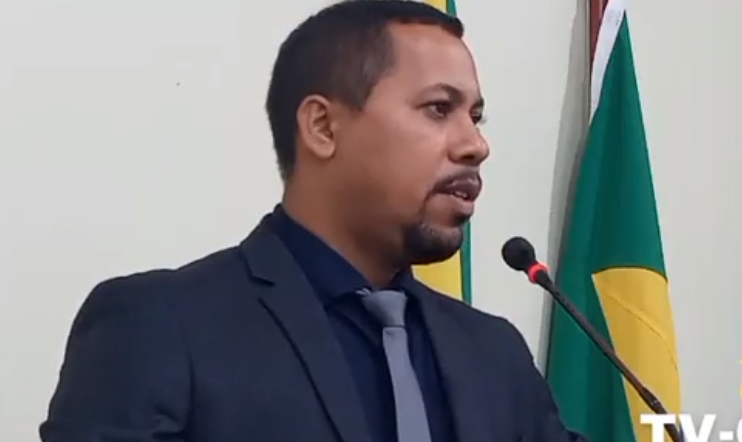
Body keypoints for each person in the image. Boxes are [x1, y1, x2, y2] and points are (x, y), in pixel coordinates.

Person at [40, 0, 586, 441]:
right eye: (438, 109)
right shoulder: (161, 329)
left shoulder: (493, 353)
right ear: (323, 127)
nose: (476, 145)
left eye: (476, 116)